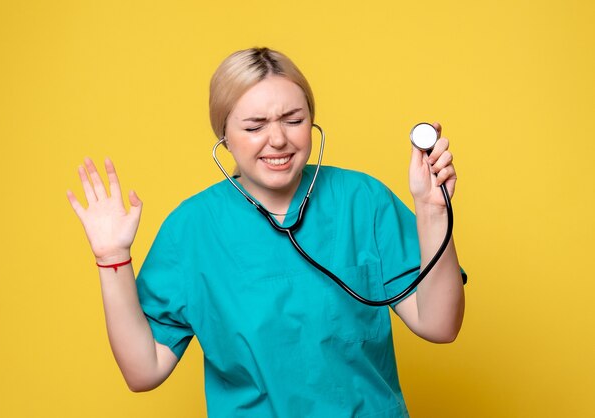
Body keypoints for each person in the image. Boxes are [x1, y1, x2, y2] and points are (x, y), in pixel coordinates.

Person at [67, 47, 465, 417]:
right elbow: (143, 371)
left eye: (294, 120)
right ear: (223, 136)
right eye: (255, 126)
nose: (278, 139)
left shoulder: (362, 200)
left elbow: (439, 325)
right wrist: (111, 257)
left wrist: (433, 214)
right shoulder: (192, 229)